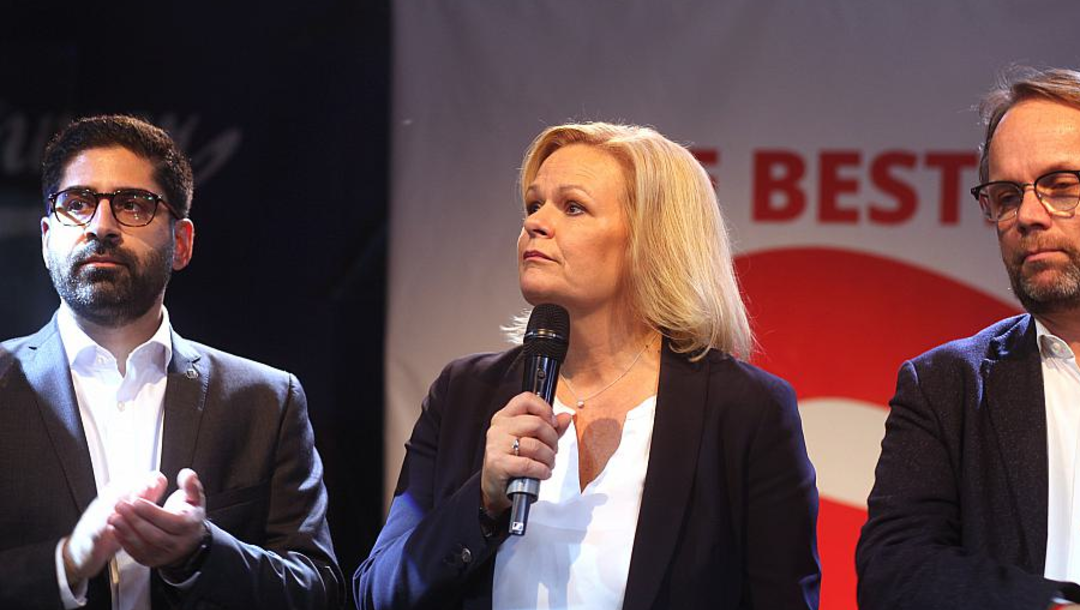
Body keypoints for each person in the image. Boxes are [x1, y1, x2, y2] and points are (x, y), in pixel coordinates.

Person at [355, 122, 820, 610]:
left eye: (572, 207)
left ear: (652, 241)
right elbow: (377, 593)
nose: (536, 223)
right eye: (534, 205)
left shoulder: (744, 410)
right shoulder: (464, 392)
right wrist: (483, 501)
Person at [856, 68, 1080, 610]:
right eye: (1007, 195)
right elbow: (896, 570)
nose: (1028, 216)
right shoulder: (946, 386)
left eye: (1063, 186)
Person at [0, 115, 342, 609]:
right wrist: (67, 562)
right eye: (78, 203)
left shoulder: (265, 400)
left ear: (180, 243)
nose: (101, 226)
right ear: (46, 237)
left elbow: (317, 590)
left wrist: (201, 552)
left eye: (132, 205)